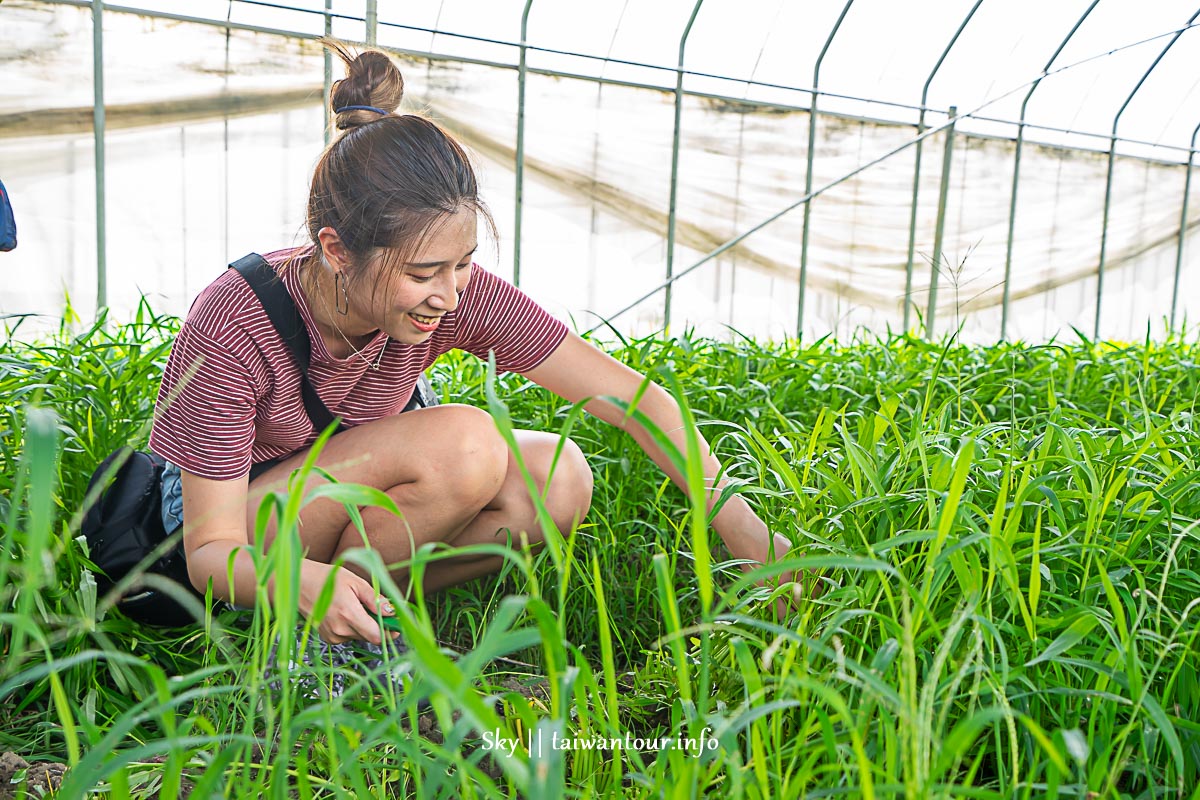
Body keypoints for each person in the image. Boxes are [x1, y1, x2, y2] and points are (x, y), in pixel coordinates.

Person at [149, 41, 792, 647]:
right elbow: (209, 551)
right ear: (336, 250)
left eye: (461, 264)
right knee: (465, 444)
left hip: (330, 506)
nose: (450, 295)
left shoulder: (457, 294)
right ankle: (322, 639)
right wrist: (302, 580)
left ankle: (363, 618)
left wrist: (739, 525)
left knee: (558, 477)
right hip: (221, 535)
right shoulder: (238, 317)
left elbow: (632, 397)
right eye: (422, 273)